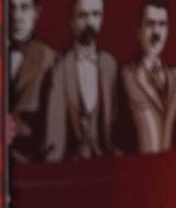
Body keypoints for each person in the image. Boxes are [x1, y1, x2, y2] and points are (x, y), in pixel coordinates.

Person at [44, 0, 118, 161]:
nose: (90, 22)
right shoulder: (60, 68)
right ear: (71, 21)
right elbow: (55, 127)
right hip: (72, 163)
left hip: (106, 160)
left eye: (95, 15)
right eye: (83, 15)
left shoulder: (110, 65)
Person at [119, 0, 176, 154]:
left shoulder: (174, 78)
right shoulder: (125, 76)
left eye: (162, 24)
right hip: (138, 171)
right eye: (150, 24)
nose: (157, 32)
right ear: (138, 30)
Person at [9, 0, 57, 162]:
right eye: (11, 7)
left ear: (36, 12)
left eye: (24, 7)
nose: (16, 16)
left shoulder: (50, 59)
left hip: (31, 158)